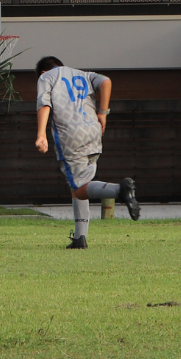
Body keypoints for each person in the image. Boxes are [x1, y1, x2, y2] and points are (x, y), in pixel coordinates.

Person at [34, 55, 140, 250]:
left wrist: (41, 134)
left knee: (80, 187)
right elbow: (106, 81)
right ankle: (80, 237)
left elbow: (44, 104)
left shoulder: (46, 77)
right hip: (94, 130)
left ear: (43, 72)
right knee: (81, 184)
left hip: (70, 134)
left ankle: (120, 190)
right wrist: (103, 112)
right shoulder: (84, 75)